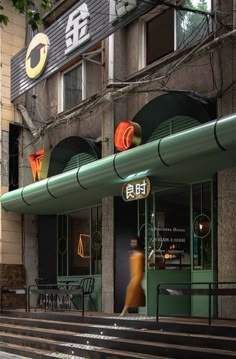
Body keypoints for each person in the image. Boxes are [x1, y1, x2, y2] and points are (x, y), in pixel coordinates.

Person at [120, 237, 145, 316]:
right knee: (135, 292)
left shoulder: (141, 253)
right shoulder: (133, 253)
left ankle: (124, 311)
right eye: (132, 242)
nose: (133, 244)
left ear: (138, 243)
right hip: (133, 275)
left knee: (130, 289)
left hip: (138, 275)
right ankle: (126, 310)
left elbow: (141, 267)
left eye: (134, 242)